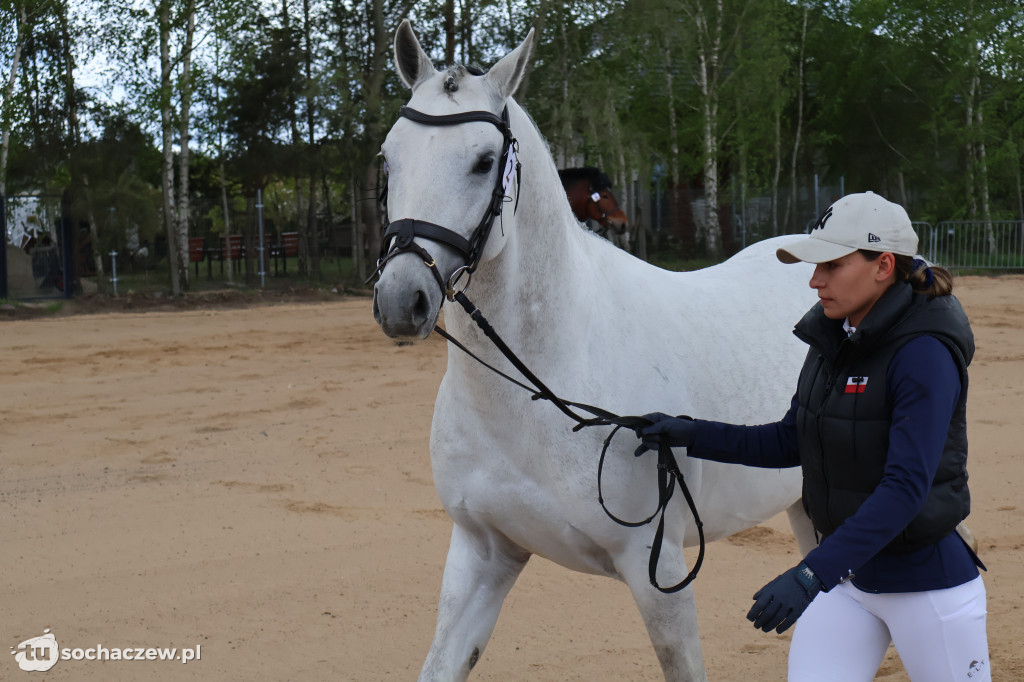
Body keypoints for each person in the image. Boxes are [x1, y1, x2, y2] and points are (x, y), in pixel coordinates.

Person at [636, 191, 990, 682]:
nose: (814, 280)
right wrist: (689, 434)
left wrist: (810, 573)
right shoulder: (833, 339)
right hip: (850, 581)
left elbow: (906, 489)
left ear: (883, 265)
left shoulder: (924, 353)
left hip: (926, 589)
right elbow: (791, 440)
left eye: (831, 265)